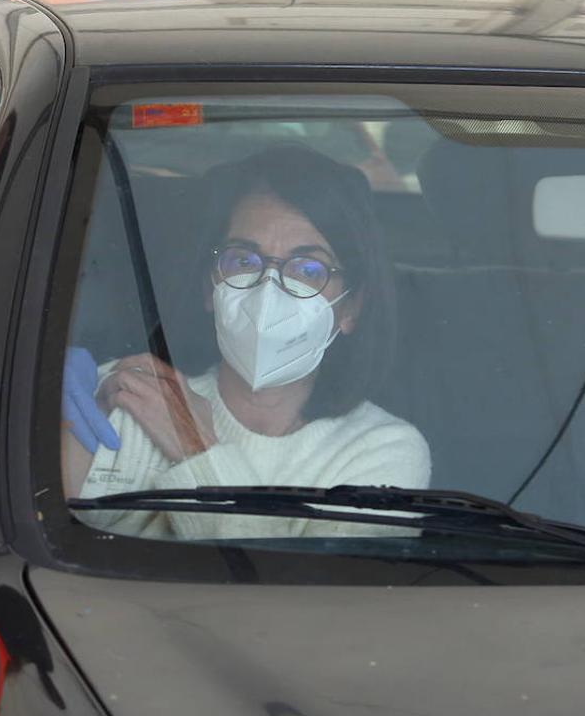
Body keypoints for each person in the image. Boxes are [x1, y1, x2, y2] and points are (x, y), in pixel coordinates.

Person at [61, 146, 430, 540]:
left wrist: (195, 445)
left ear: (351, 307)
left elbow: (297, 592)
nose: (268, 289)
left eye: (308, 269)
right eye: (243, 261)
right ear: (210, 287)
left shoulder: (382, 450)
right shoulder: (122, 391)